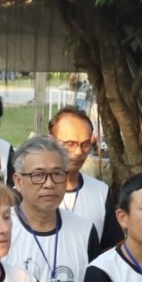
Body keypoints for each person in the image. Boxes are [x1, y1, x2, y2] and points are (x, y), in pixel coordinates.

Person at [7, 136, 92, 282]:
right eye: (38, 175)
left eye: (57, 174)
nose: (49, 184)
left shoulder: (85, 232)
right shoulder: (0, 229)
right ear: (18, 181)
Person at [50, 107, 111, 252]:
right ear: (50, 141)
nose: (78, 152)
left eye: (85, 144)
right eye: (70, 144)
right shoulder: (27, 191)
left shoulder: (101, 192)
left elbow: (110, 248)